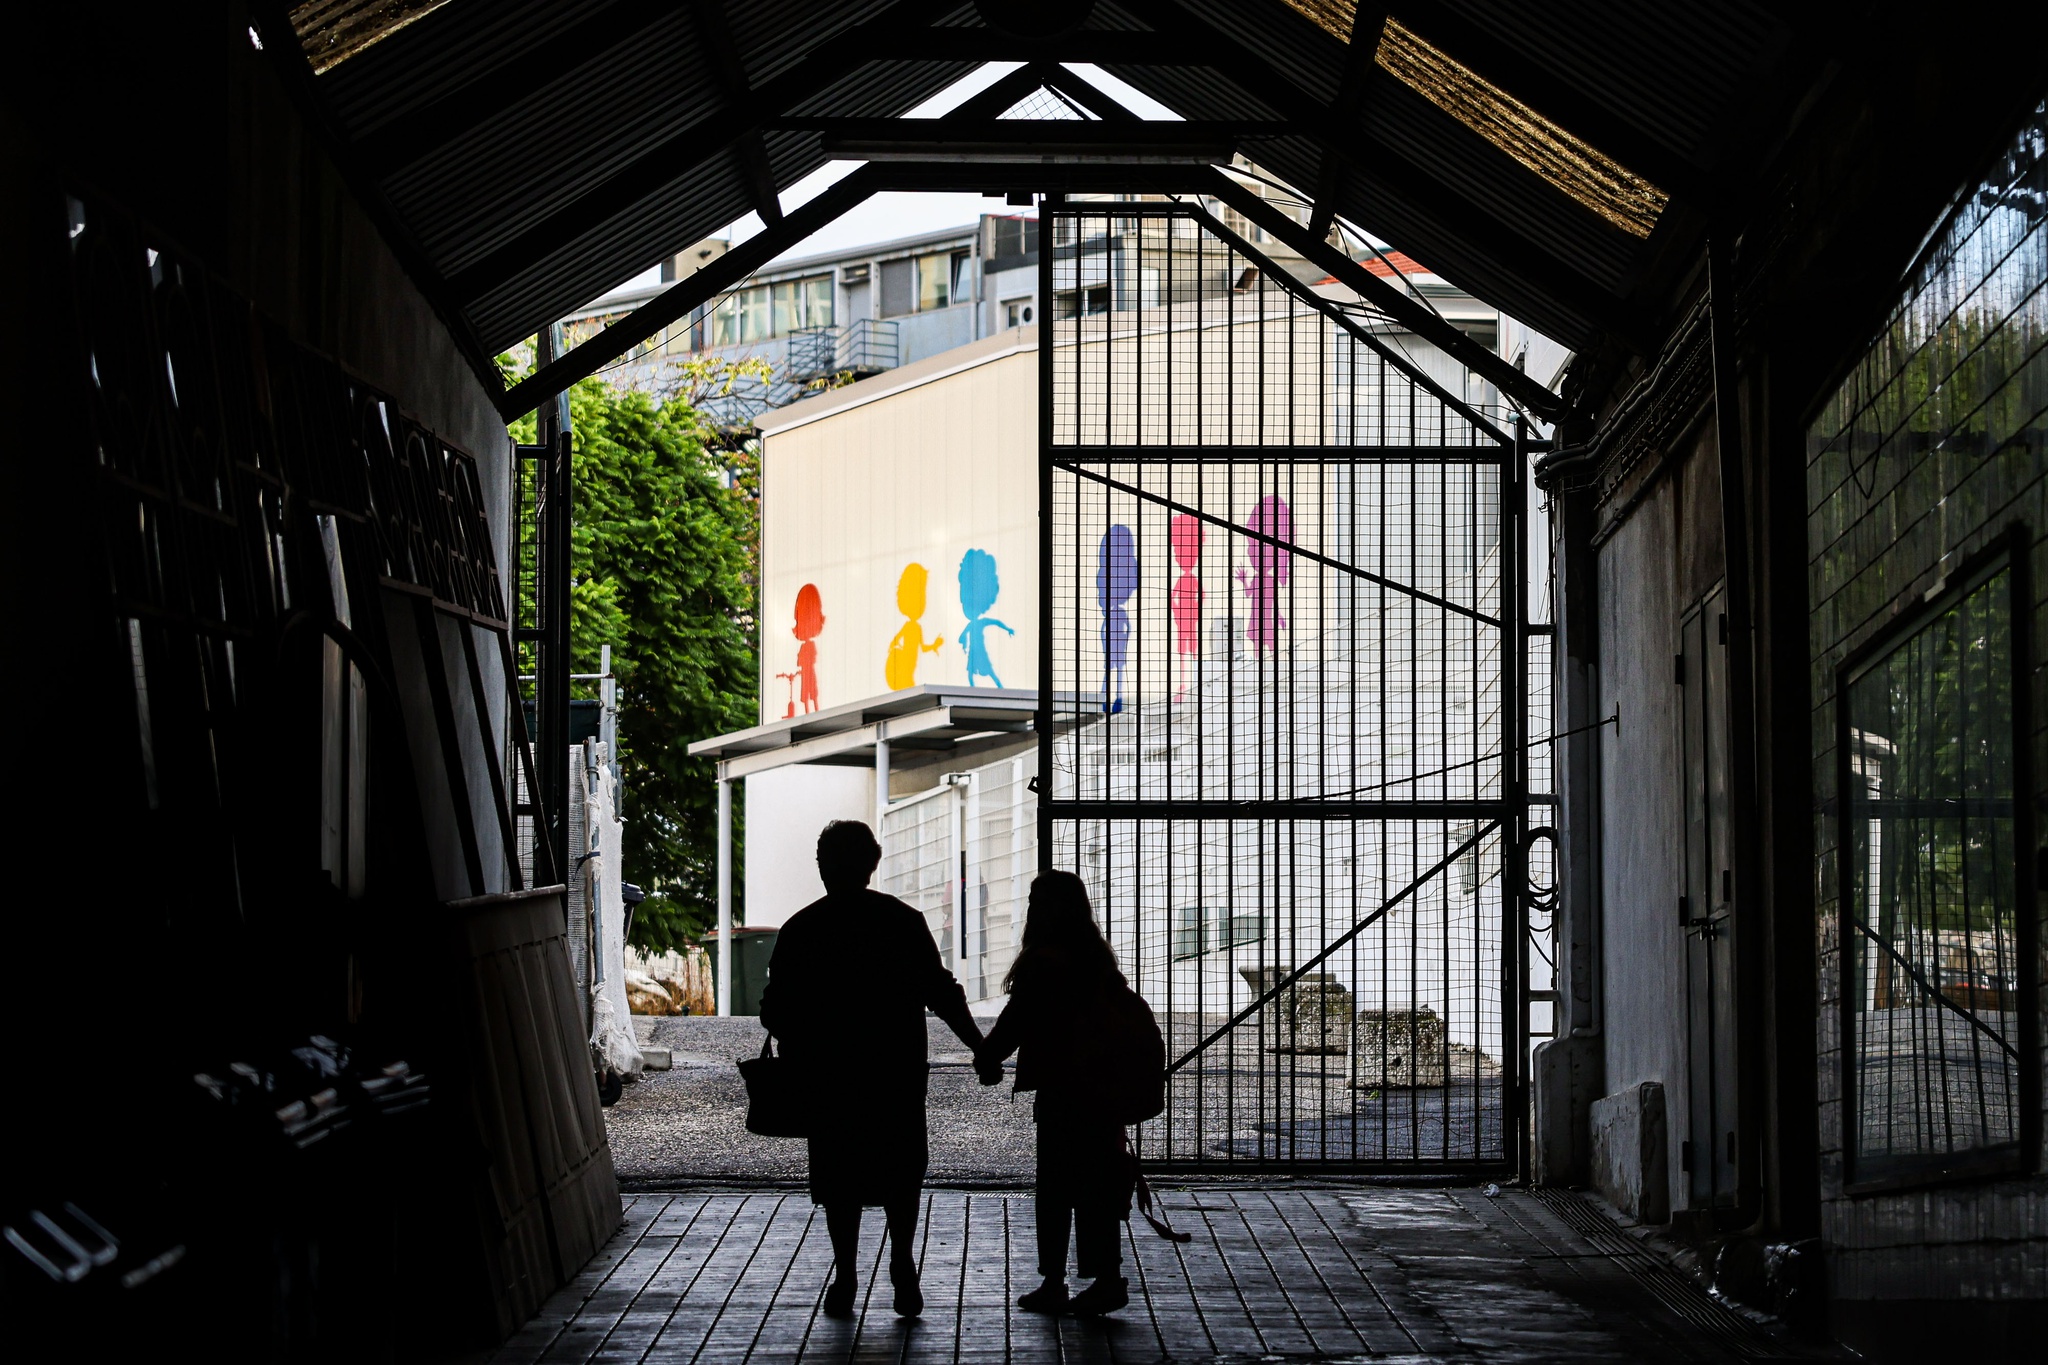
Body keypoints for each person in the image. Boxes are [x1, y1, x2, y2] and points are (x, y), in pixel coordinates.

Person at [759, 820, 984, 1319]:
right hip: (895, 1073)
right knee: (901, 1173)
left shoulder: (803, 928)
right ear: (872, 864)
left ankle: (846, 1275)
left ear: (824, 866)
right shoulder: (902, 920)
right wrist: (979, 1047)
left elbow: (774, 1010)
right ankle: (903, 1267)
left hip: (829, 1074)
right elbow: (941, 991)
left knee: (840, 1178)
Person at [975, 871, 1136, 1316]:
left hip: (1065, 1089)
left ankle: (1055, 1281)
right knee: (1097, 1187)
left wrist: (986, 1057)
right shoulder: (1095, 957)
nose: (1030, 908)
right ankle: (1105, 1277)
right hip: (1102, 1089)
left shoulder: (1044, 960)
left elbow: (1018, 1018)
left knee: (1056, 1190)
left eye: (1035, 900)